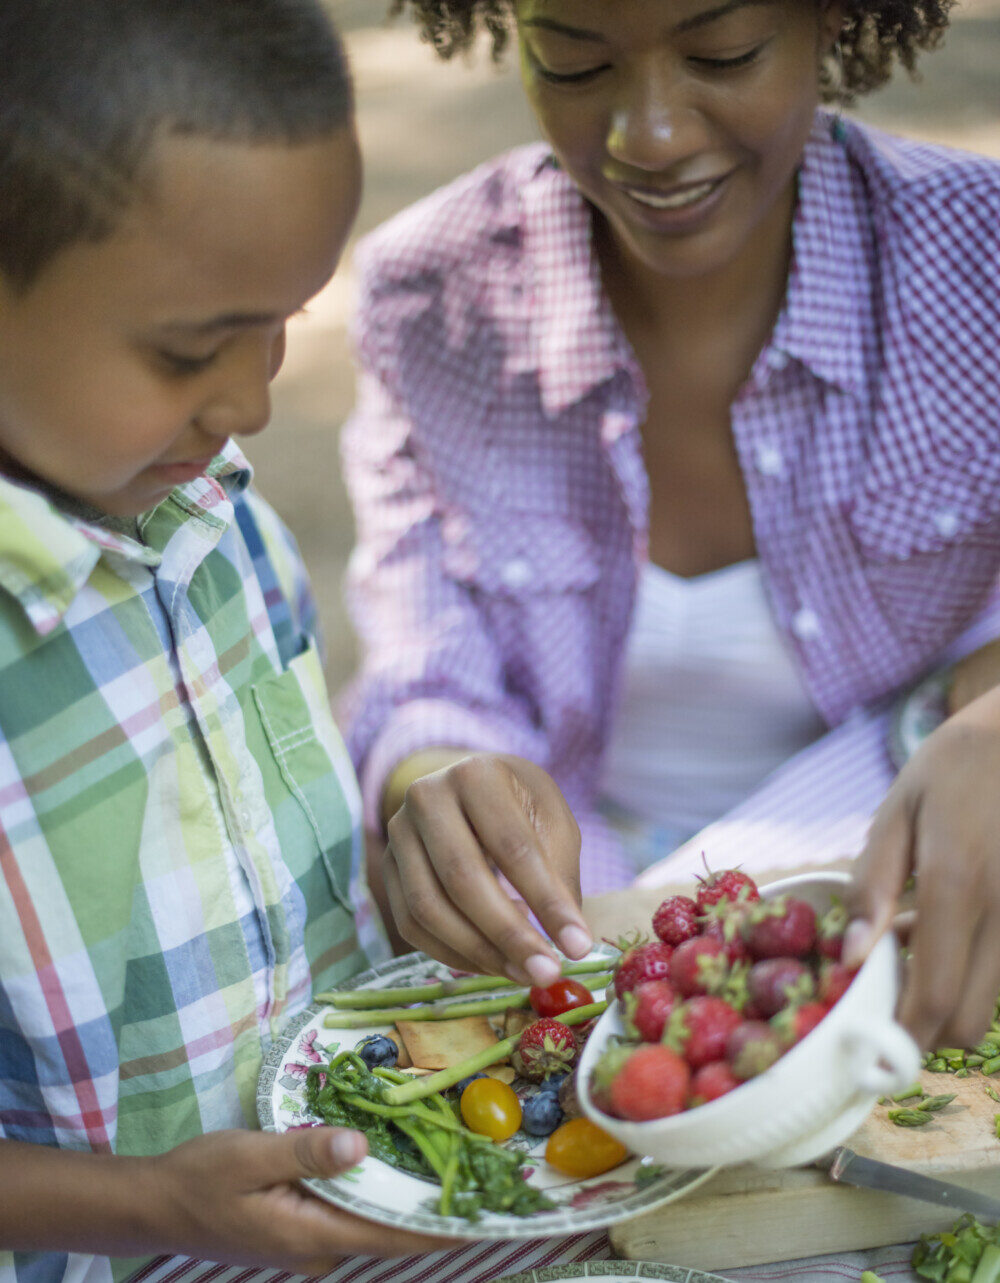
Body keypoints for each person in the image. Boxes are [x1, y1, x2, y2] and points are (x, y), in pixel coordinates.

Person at [0, 4, 591, 1280]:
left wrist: (426, 840)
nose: (253, 399)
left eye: (282, 325)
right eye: (189, 350)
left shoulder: (217, 516)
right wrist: (153, 1207)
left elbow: (269, 885)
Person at [339, 0, 1000, 1047]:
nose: (647, 134)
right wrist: (441, 784)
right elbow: (429, 672)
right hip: (587, 936)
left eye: (722, 54)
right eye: (569, 60)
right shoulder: (429, 298)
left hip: (912, 921)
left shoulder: (976, 263)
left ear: (830, 20)